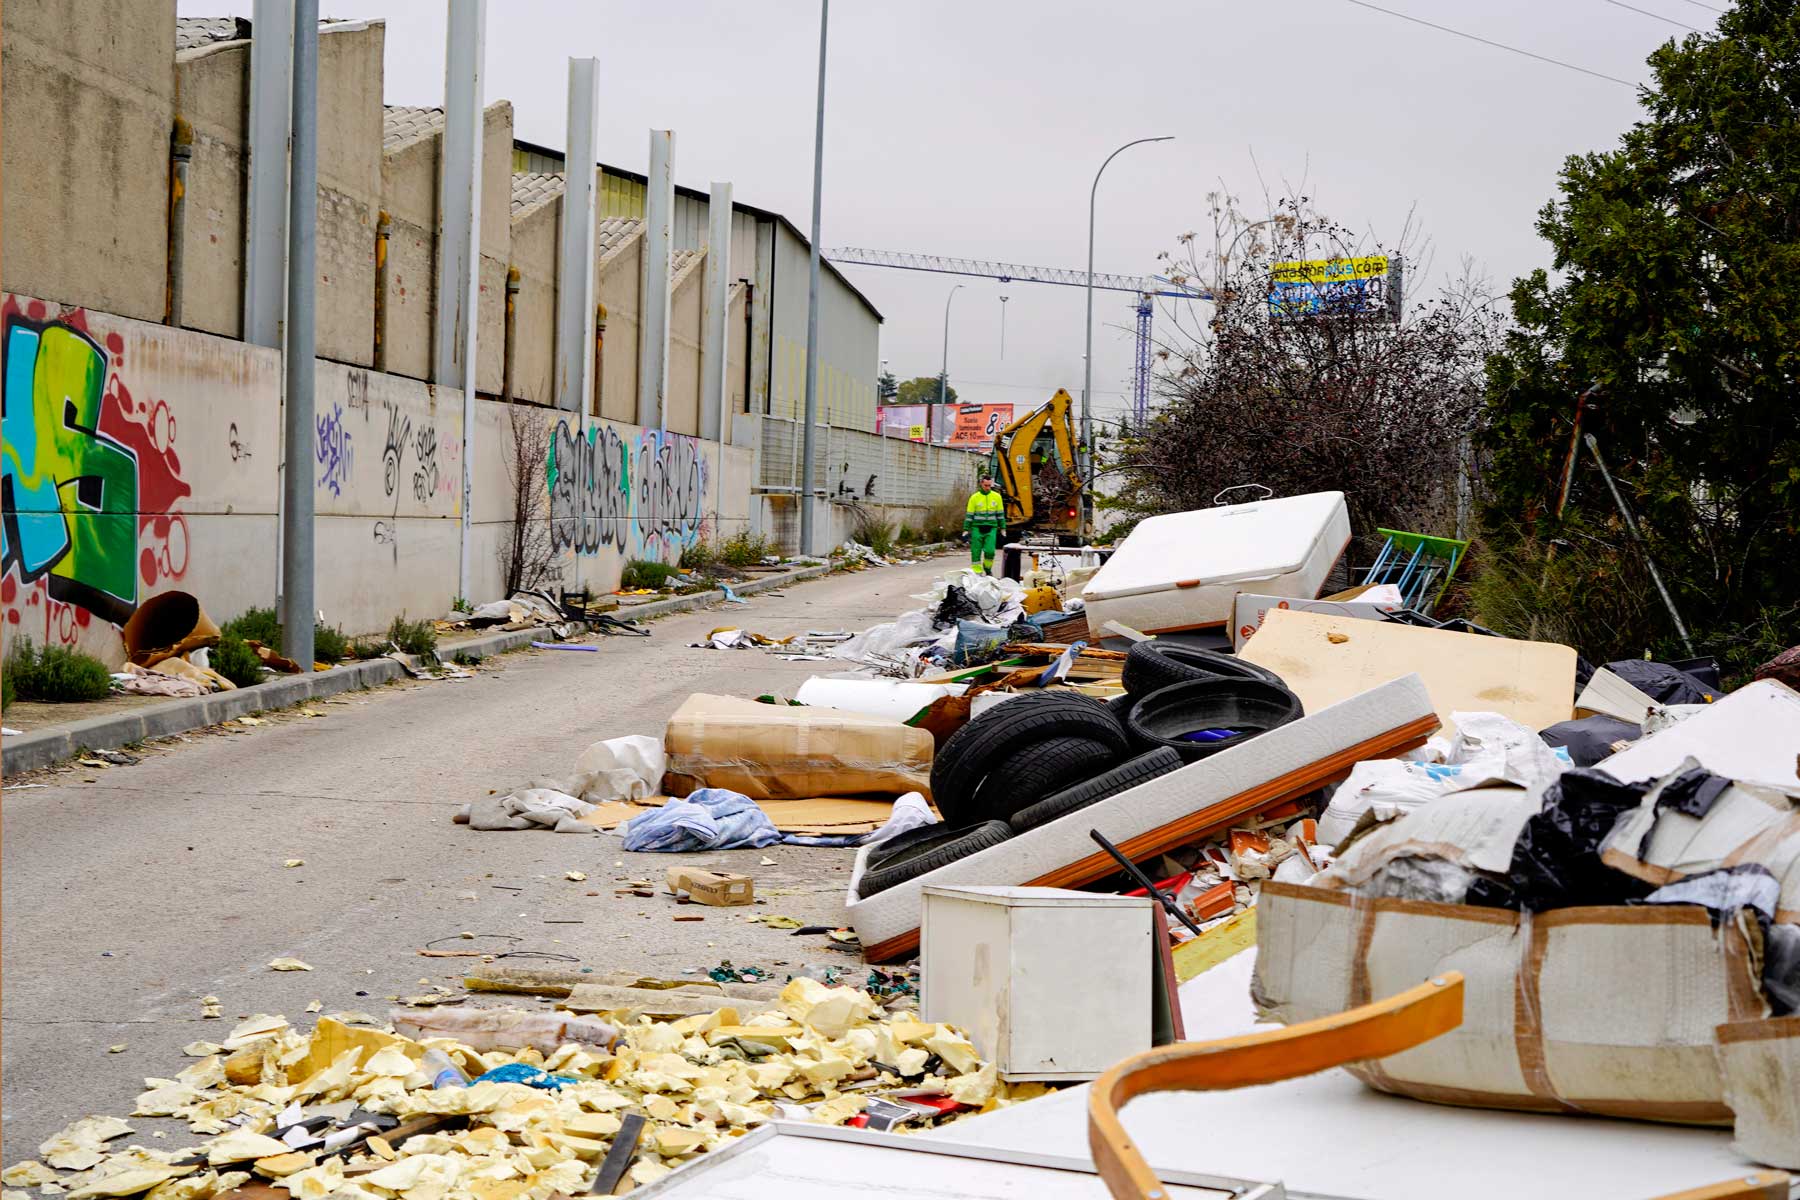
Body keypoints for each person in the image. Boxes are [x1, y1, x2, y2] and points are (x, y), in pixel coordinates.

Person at [963, 474, 1006, 575]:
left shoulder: (997, 497)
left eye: (989, 485)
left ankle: (987, 568)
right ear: (981, 484)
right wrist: (965, 529)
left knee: (990, 551)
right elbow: (969, 515)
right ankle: (977, 572)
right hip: (977, 527)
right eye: (986, 485)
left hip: (991, 528)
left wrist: (1003, 528)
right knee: (976, 551)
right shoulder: (974, 498)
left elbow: (1000, 514)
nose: (987, 488)